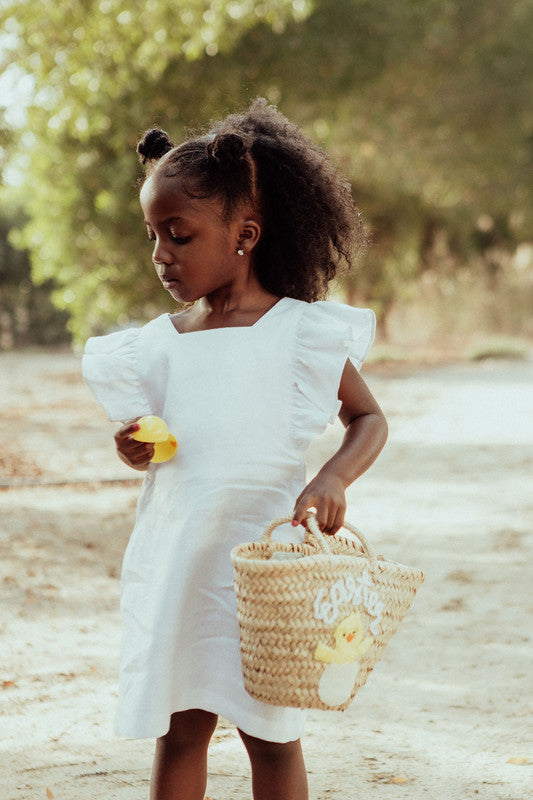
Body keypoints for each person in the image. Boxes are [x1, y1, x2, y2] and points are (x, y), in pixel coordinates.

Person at [82, 98, 388, 800]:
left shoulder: (297, 336)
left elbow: (368, 419)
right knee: (181, 730)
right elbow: (158, 444)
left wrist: (334, 478)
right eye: (152, 236)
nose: (160, 253)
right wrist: (135, 448)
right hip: (182, 563)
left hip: (264, 575)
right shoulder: (157, 346)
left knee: (271, 734)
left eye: (179, 235)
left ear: (244, 234)